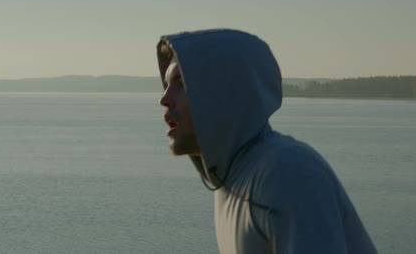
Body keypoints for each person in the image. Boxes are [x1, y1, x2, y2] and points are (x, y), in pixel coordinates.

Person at [157, 29, 378, 254]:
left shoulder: (286, 173)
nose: (164, 99)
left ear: (222, 91)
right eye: (166, 84)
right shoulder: (231, 181)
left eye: (181, 82)